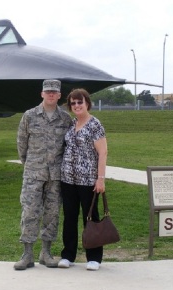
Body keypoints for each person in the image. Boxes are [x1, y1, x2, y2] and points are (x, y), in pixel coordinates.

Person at [14, 79, 72, 270]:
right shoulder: (29, 116)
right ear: (42, 94)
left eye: (54, 92)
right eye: (48, 92)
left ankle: (46, 253)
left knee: (52, 214)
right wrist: (30, 164)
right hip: (33, 174)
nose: (51, 95)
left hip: (55, 176)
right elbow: (22, 144)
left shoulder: (65, 118)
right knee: (30, 212)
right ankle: (27, 254)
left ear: (59, 95)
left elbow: (67, 146)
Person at [57, 88, 107, 271]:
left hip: (88, 180)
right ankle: (68, 255)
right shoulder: (71, 124)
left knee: (90, 217)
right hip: (68, 178)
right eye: (73, 103)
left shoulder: (95, 125)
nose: (77, 105)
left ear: (87, 103)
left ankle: (94, 257)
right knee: (69, 217)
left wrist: (100, 179)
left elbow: (103, 152)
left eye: (80, 102)